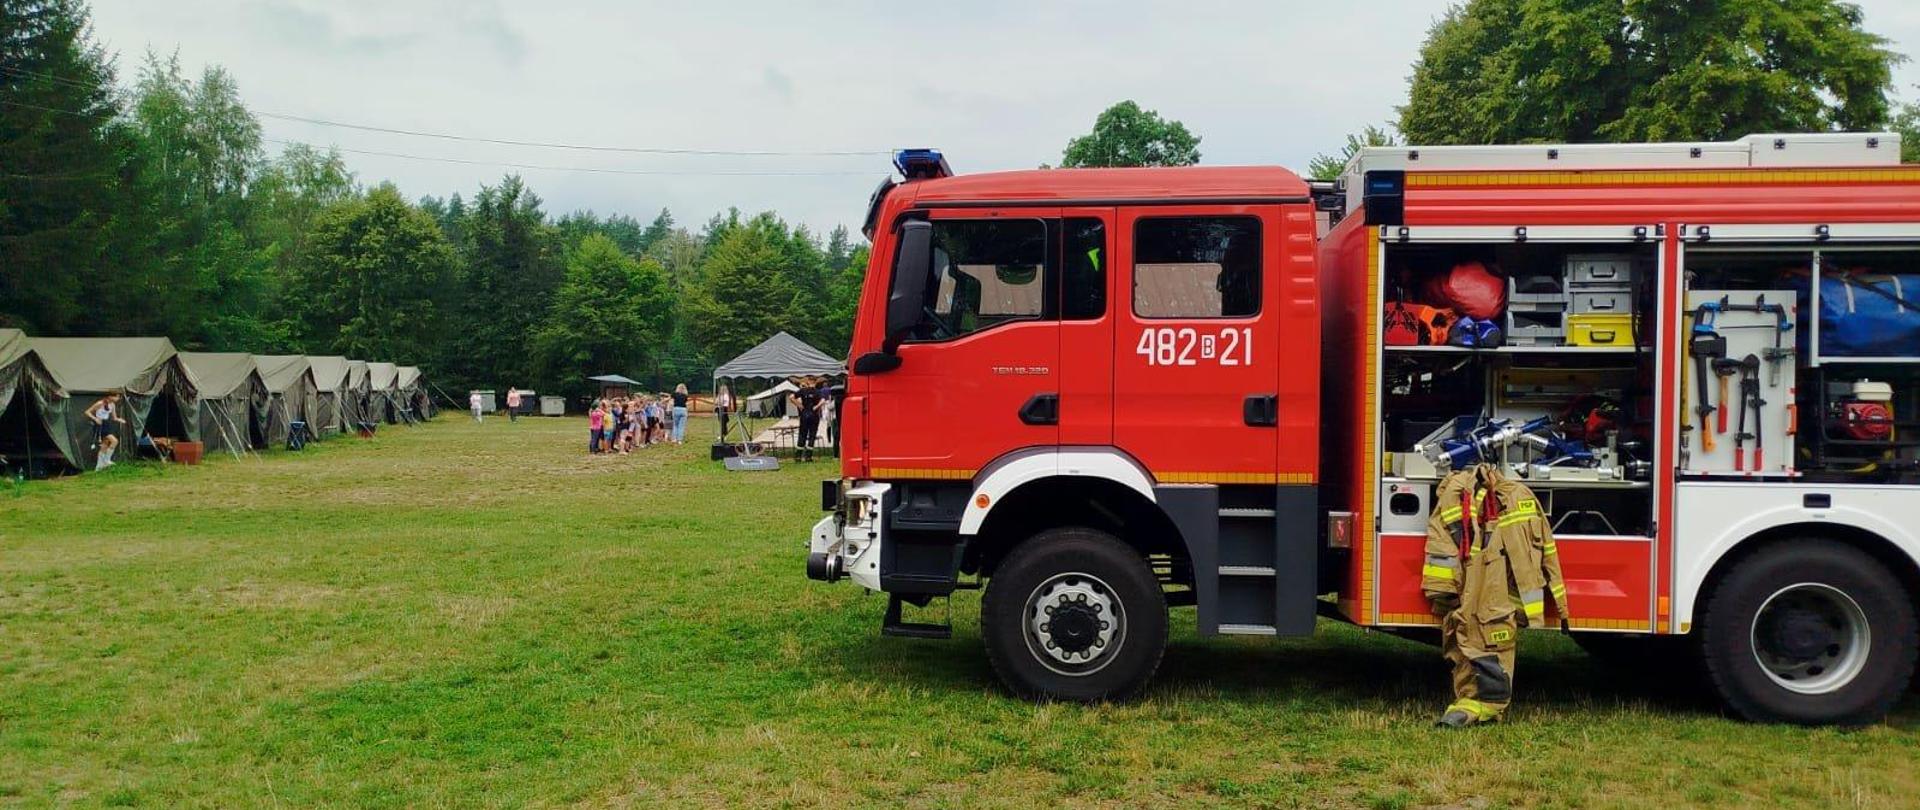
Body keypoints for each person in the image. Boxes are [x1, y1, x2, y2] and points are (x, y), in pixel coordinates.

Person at [1424, 464, 1570, 728]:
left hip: (1497, 591)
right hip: (1483, 582)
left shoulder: (1517, 497)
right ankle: (1483, 699)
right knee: (1470, 629)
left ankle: (1486, 700)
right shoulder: (1459, 495)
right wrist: (1443, 590)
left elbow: (1546, 550)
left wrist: (1560, 606)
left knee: (1485, 630)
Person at [87, 391, 127, 470]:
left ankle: (98, 467)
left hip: (107, 424)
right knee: (114, 441)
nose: (118, 398)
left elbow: (114, 417)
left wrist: (120, 420)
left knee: (104, 446)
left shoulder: (112, 405)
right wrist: (95, 419)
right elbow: (87, 412)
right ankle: (107, 460)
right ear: (110, 396)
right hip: (100, 425)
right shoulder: (100, 403)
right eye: (117, 396)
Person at [789, 376, 825, 462]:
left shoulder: (803, 391)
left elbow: (791, 397)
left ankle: (798, 456)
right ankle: (808, 457)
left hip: (804, 414)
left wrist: (799, 405)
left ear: (808, 382)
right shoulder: (818, 392)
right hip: (814, 415)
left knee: (802, 434)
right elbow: (823, 400)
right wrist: (816, 407)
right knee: (812, 435)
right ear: (815, 383)